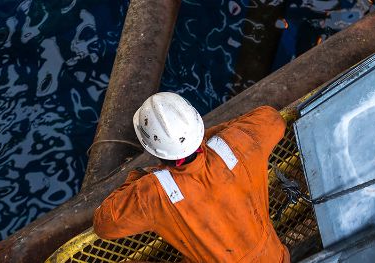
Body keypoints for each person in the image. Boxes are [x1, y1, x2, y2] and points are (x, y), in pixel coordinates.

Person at [93, 92, 290, 262]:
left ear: (150, 147)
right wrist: (214, 139)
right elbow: (272, 118)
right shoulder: (239, 142)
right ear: (196, 123)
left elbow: (103, 225)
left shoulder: (152, 192)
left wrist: (138, 176)